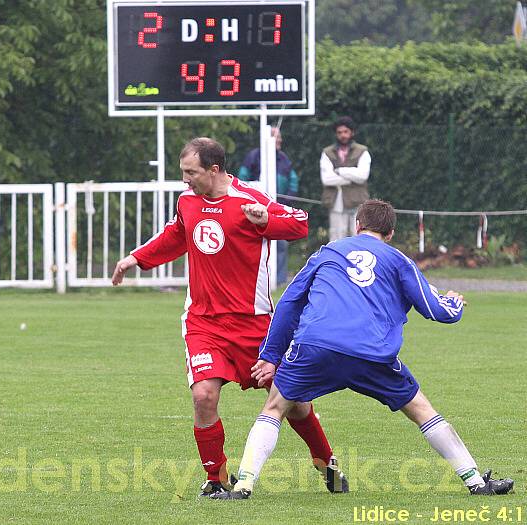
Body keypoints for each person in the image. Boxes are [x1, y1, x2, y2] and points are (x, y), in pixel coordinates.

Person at [213, 199, 514, 499]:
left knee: (275, 408)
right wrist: (455, 303)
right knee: (422, 410)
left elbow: (289, 304)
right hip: (371, 353)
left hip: (316, 346)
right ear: (391, 233)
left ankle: (243, 486)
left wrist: (269, 355)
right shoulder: (399, 260)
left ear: (357, 225)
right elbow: (437, 310)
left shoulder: (327, 252)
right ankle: (476, 482)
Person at [112, 137, 348, 497]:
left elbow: (299, 224)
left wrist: (267, 219)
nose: (185, 180)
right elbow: (177, 234)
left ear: (214, 169)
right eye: (183, 173)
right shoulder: (187, 202)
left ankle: (325, 462)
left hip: (256, 326)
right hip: (205, 323)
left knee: (295, 404)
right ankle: (215, 480)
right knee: (203, 396)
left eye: (191, 173)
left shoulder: (249, 200)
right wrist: (136, 259)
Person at [238, 127, 300, 285]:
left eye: (279, 137)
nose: (279, 140)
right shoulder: (253, 156)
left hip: (279, 207)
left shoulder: (284, 159)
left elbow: (293, 180)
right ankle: (253, 279)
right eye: (275, 137)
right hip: (256, 209)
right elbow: (242, 179)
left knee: (281, 245)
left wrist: (289, 199)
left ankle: (279, 280)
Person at [320, 116, 371, 241]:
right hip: (336, 202)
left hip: (357, 201)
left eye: (345, 132)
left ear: (352, 132)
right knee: (337, 239)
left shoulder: (362, 151)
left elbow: (363, 176)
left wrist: (339, 171)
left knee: (358, 237)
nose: (343, 135)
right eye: (339, 132)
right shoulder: (327, 152)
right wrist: (352, 177)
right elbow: (327, 179)